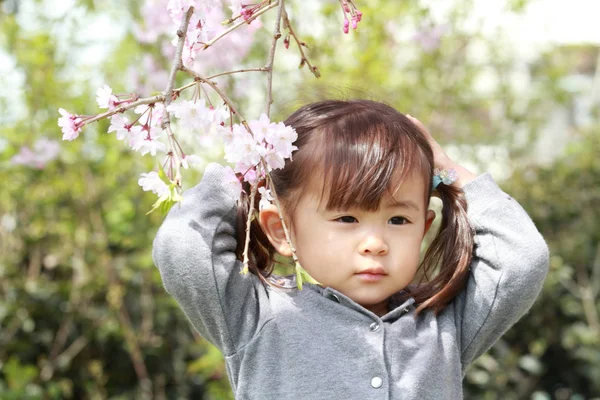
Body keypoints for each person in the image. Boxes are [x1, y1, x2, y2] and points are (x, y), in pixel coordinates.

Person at [152, 99, 549, 399]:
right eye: (346, 220)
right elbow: (183, 247)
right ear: (280, 229)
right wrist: (243, 170)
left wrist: (455, 176)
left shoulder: (441, 323)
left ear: (424, 228)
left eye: (398, 220)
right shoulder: (256, 315)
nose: (375, 244)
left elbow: (522, 259)